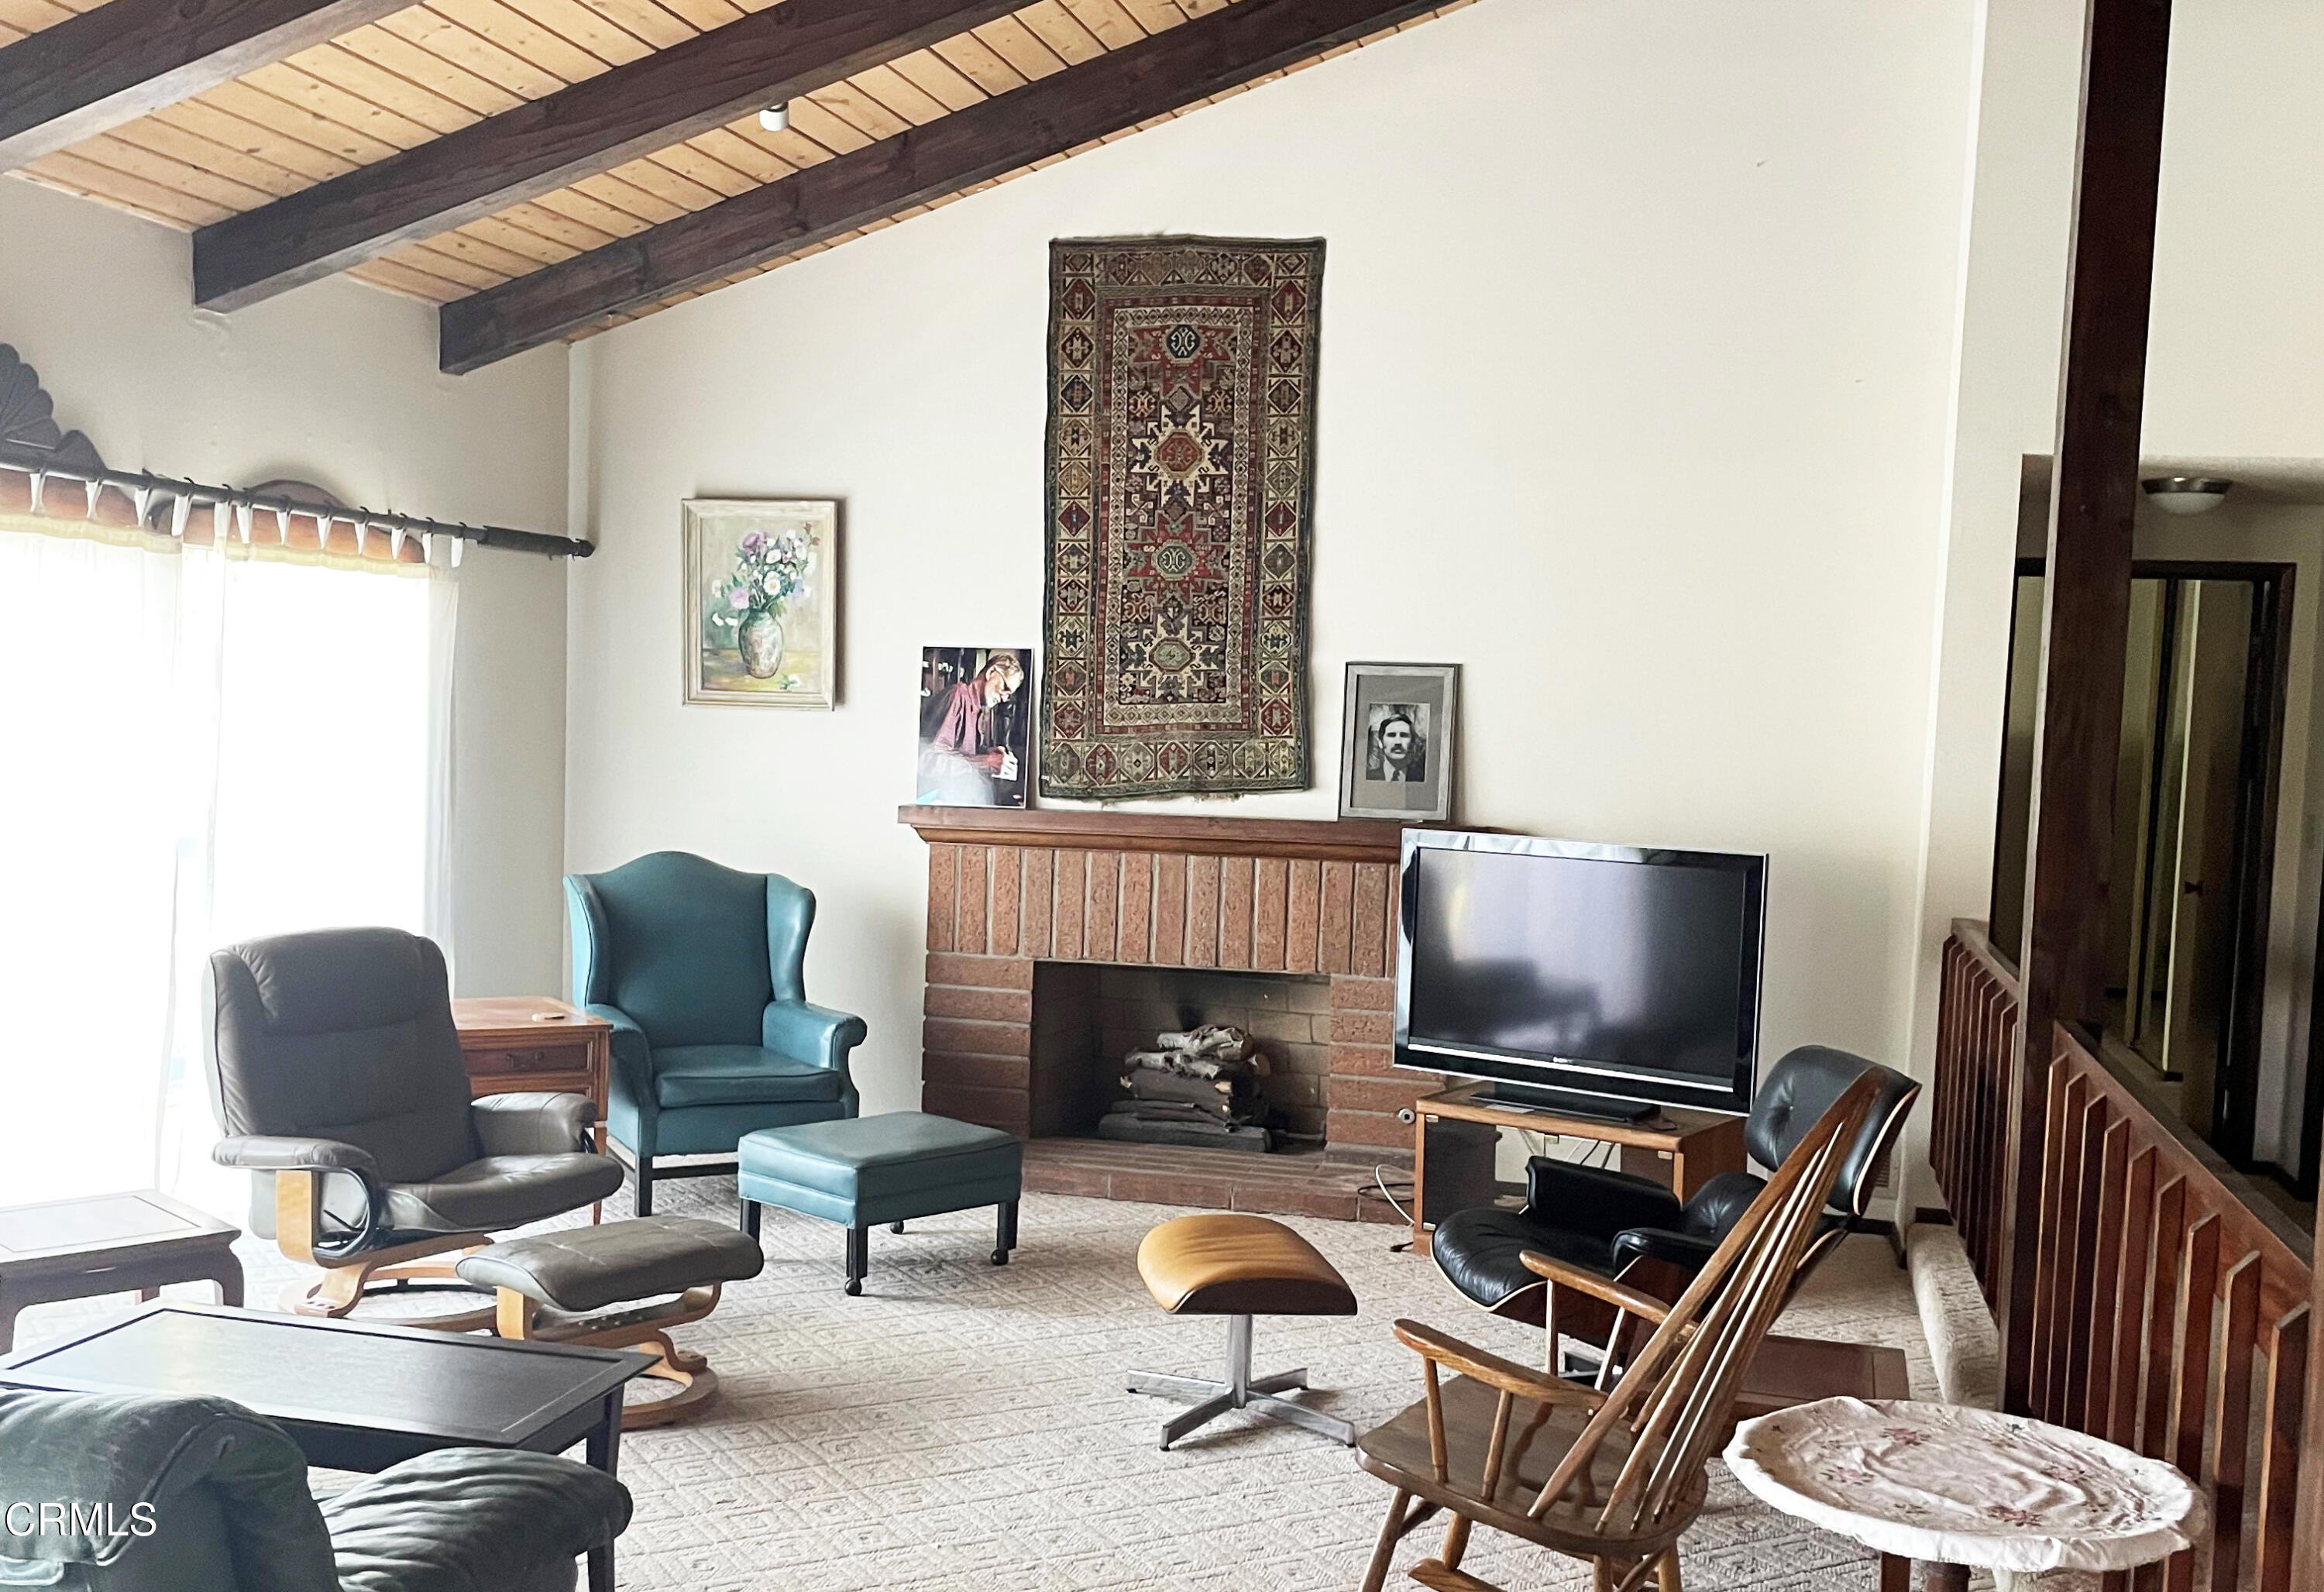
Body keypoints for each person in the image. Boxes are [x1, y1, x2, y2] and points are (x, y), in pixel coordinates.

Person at [918, 651, 1027, 805]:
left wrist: (988, 752)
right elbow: (927, 759)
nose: (1004, 698)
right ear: (991, 672)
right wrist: (986, 762)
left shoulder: (977, 708)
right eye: (1005, 688)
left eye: (1008, 695)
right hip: (937, 801)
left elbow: (960, 752)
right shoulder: (958, 696)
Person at [1367, 704, 1427, 782]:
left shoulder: (1421, 779)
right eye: (1391, 735)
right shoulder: (1369, 778)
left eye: (1404, 736)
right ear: (1380, 742)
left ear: (1412, 743)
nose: (1398, 742)